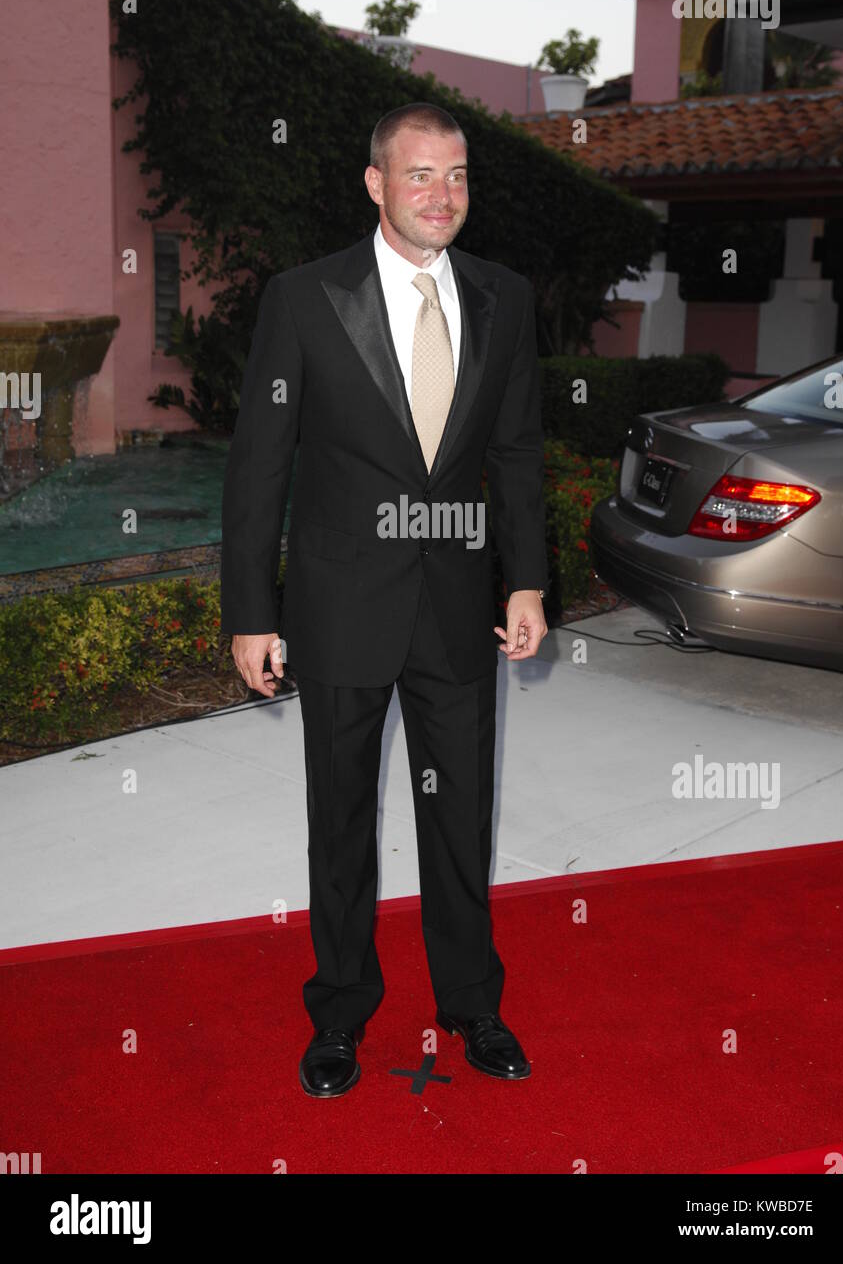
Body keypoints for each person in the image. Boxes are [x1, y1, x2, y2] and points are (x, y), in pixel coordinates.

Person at [220, 102, 548, 1098]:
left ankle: (470, 1004)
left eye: (454, 176)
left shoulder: (504, 297)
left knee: (459, 818)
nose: (440, 194)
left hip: (455, 602)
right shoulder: (304, 297)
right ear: (375, 184)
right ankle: (339, 1017)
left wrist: (526, 576)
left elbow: (515, 451)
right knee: (342, 820)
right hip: (337, 602)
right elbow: (258, 467)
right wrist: (250, 610)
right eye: (418, 175)